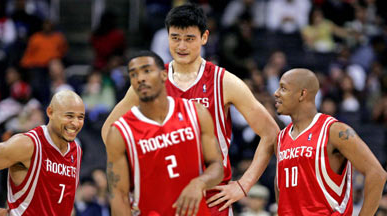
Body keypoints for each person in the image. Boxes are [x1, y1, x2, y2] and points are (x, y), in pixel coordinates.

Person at [101, 4, 279, 214]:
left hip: (211, 198)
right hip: (162, 199)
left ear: (204, 37)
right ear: (167, 37)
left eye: (189, 38)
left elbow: (271, 133)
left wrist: (244, 184)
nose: (181, 46)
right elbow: (109, 130)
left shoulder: (224, 82)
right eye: (175, 38)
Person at [105, 50, 224, 216]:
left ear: (163, 75)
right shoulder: (120, 132)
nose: (140, 78)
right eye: (133, 74)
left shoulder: (196, 112)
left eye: (147, 71)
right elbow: (119, 196)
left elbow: (217, 166)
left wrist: (199, 183)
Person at [274, 68, 387, 215]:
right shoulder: (281, 138)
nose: (276, 93)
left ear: (302, 94)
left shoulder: (334, 131)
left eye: (283, 88)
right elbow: (281, 188)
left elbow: (377, 174)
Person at [0, 90, 85, 216]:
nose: (76, 123)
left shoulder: (76, 150)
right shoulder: (28, 144)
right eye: (69, 116)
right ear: (50, 112)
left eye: (80, 117)